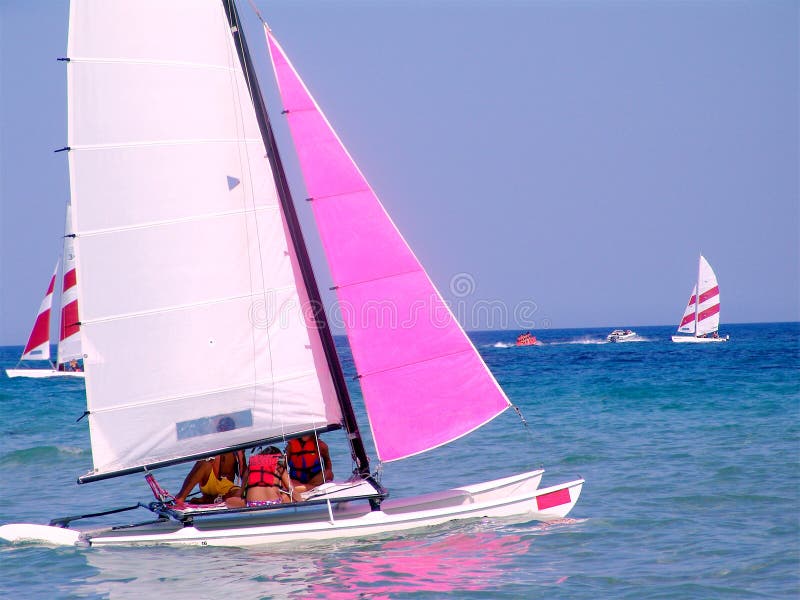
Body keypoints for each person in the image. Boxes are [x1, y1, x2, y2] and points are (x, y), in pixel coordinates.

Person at [173, 417, 245, 506]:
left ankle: (209, 499)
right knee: (204, 463)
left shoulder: (238, 449)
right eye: (222, 428)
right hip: (210, 483)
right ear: (218, 429)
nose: (224, 431)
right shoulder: (212, 444)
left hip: (228, 488)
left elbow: (243, 473)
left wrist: (245, 492)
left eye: (228, 429)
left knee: (238, 493)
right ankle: (181, 497)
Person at [226, 446, 299, 508]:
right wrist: (300, 500)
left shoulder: (251, 465)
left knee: (228, 501)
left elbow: (241, 492)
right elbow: (292, 490)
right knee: (286, 496)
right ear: (278, 457)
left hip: (252, 505)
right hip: (274, 504)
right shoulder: (279, 465)